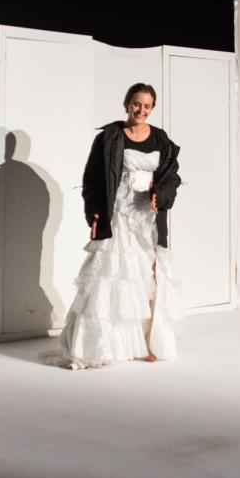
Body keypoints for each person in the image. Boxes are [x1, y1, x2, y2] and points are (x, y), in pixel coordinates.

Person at [58, 83, 181, 370]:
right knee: (111, 275)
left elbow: (171, 177)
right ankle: (102, 346)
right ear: (126, 104)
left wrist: (159, 196)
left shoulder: (161, 139)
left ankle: (146, 343)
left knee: (147, 277)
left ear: (152, 108)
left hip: (147, 219)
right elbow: (92, 179)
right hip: (117, 216)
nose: (141, 110)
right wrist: (94, 214)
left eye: (147, 106)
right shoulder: (109, 138)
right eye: (137, 104)